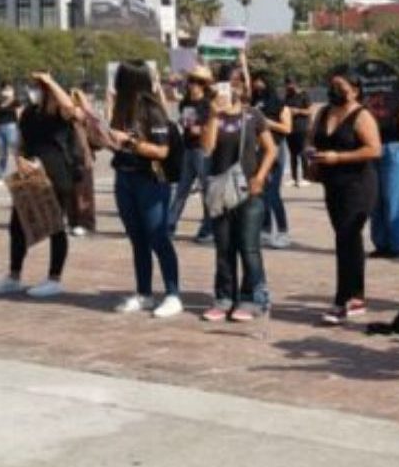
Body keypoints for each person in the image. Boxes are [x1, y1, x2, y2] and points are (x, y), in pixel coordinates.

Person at [0, 73, 79, 298]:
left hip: (58, 175)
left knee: (56, 226)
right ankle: (14, 276)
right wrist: (19, 160)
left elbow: (69, 106)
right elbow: (20, 142)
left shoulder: (60, 113)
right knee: (17, 225)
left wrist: (51, 81)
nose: (35, 91)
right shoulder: (29, 112)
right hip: (31, 176)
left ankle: (54, 278)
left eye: (40, 88)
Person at [200, 60, 278, 322]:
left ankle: (251, 298)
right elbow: (207, 149)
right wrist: (212, 115)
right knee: (224, 248)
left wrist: (260, 176)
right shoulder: (212, 114)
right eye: (227, 82)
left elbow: (271, 149)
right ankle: (223, 298)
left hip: (248, 189)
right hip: (221, 190)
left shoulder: (252, 115)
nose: (232, 88)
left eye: (237, 82)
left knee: (249, 247)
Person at [109, 61, 183, 318]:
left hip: (150, 180)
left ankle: (173, 294)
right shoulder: (121, 108)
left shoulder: (152, 110)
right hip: (125, 177)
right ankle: (144, 293)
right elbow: (116, 144)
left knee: (157, 237)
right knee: (137, 238)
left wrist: (129, 140)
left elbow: (162, 151)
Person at [311, 66, 382, 325]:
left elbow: (374, 149)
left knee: (347, 237)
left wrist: (338, 157)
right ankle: (356, 295)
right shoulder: (324, 112)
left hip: (358, 184)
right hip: (331, 183)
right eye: (332, 86)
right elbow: (313, 139)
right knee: (348, 240)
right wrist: (312, 157)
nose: (335, 91)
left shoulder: (362, 116)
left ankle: (343, 300)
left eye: (341, 87)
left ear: (355, 90)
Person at [168, 66, 215, 243]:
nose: (194, 85)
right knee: (182, 189)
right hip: (188, 148)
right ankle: (170, 225)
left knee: (207, 190)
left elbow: (209, 126)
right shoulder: (186, 102)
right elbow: (184, 120)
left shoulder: (208, 104)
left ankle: (207, 228)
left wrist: (200, 129)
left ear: (204, 85)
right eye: (192, 81)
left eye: (199, 82)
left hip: (202, 149)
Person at [369, 94, 399, 259]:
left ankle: (398, 245)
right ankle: (381, 244)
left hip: (394, 147)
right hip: (372, 147)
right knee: (375, 199)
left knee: (392, 198)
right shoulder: (367, 97)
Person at [252, 72, 293, 248]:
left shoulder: (280, 104)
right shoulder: (255, 101)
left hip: (275, 148)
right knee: (260, 192)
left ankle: (283, 231)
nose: (256, 84)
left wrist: (267, 122)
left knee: (273, 192)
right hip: (257, 149)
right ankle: (265, 229)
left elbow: (287, 128)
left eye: (259, 80)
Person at [67, 89, 98, 238]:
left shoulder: (81, 114)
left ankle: (86, 223)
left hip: (82, 158)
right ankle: (74, 222)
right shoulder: (64, 114)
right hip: (68, 158)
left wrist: (81, 100)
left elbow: (88, 115)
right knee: (71, 192)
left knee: (84, 192)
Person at [285, 78, 314, 188]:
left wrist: (298, 111)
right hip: (291, 128)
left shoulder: (304, 95)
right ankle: (293, 178)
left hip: (303, 128)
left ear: (295, 84)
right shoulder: (288, 96)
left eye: (290, 84)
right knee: (293, 154)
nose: (289, 86)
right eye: (287, 84)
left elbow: (310, 110)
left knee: (303, 153)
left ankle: (306, 177)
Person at [0, 82, 22, 186]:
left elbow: (19, 115)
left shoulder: (16, 102)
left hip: (11, 127)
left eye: (9, 89)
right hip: (0, 128)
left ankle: (23, 173)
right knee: (2, 154)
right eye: (5, 89)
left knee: (17, 153)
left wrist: (20, 128)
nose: (7, 91)